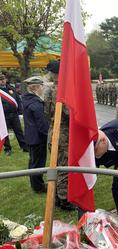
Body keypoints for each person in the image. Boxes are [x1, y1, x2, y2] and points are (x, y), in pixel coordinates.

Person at [44, 60, 75, 210]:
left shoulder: (48, 90)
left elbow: (46, 112)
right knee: (64, 166)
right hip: (62, 133)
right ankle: (64, 199)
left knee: (54, 165)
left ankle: (55, 195)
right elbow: (69, 114)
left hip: (52, 130)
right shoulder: (61, 91)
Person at [22, 77, 49, 193]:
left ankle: (36, 185)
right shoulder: (36, 103)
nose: (43, 89)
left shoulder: (27, 99)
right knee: (38, 163)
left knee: (33, 162)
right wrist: (49, 135)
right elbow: (42, 125)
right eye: (42, 86)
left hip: (31, 137)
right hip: (38, 138)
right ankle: (38, 187)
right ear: (36, 88)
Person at [0, 73, 28, 155]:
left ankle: (24, 147)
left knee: (18, 131)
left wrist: (20, 111)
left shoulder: (11, 88)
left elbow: (18, 100)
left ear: (6, 80)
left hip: (14, 114)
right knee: (5, 133)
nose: (2, 81)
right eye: (0, 80)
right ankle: (7, 149)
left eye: (3, 79)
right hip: (3, 115)